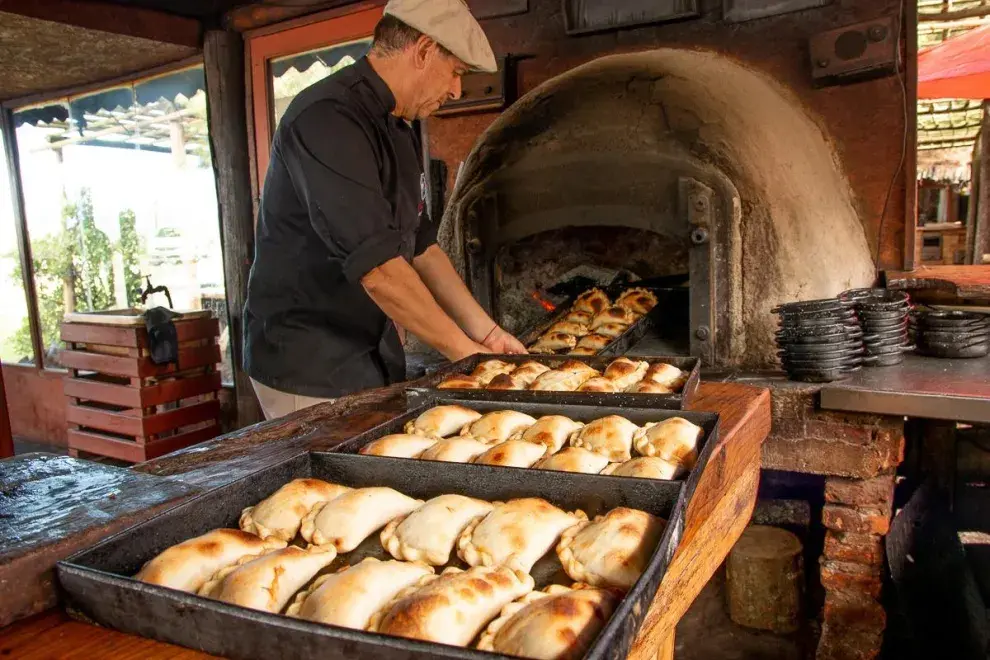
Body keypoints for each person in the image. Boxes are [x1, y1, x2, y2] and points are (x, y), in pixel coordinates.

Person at [243, 0, 526, 420]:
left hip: (367, 349)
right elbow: (377, 268)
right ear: (425, 50)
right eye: (456, 72)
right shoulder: (327, 119)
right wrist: (468, 357)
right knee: (332, 484)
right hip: (308, 361)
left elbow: (422, 245)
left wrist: (487, 333)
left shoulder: (398, 125)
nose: (456, 91)